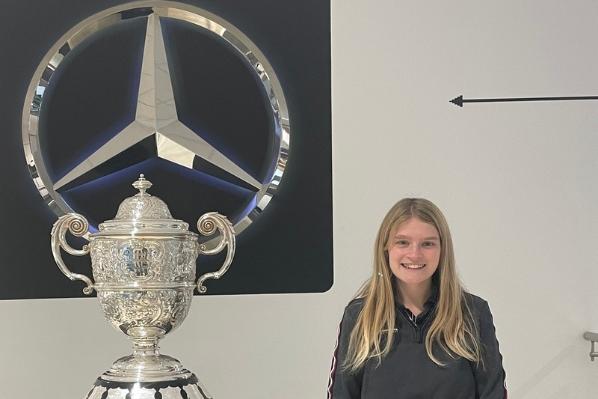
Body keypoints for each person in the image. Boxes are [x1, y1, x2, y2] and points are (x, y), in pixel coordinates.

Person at [327, 198, 507, 399]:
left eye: (427, 244)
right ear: (386, 248)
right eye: (403, 242)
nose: (415, 254)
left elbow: (494, 393)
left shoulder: (473, 312)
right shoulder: (360, 316)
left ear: (442, 250)